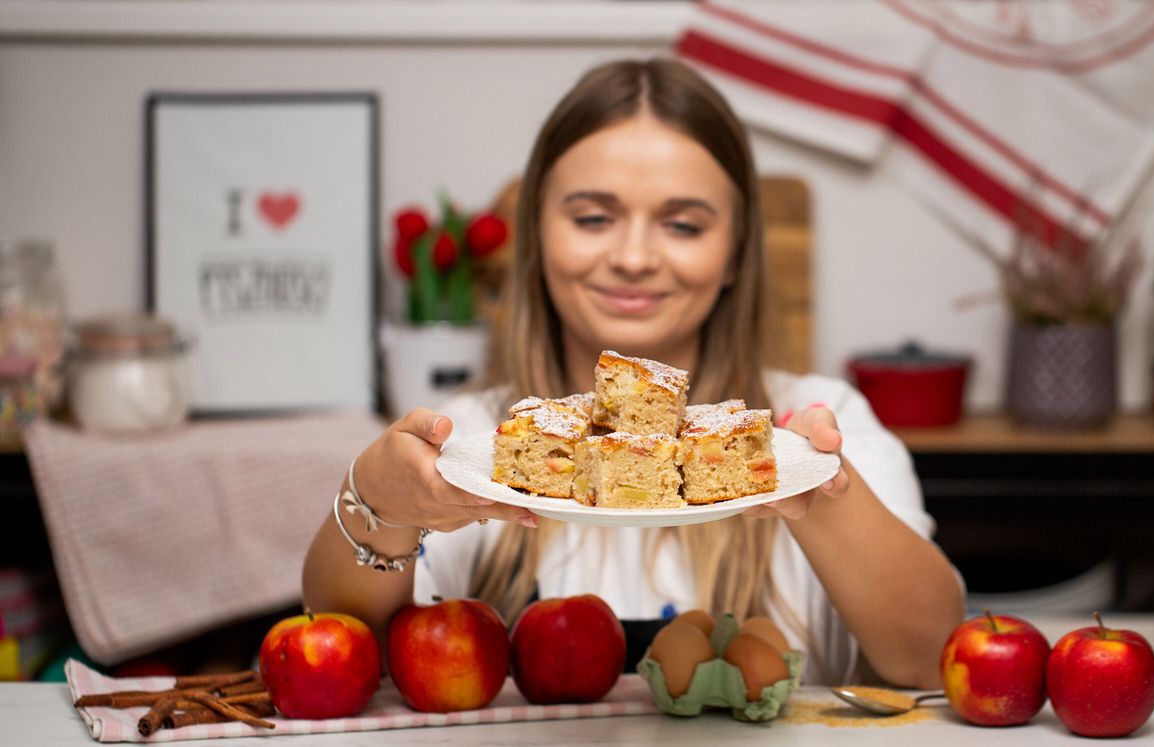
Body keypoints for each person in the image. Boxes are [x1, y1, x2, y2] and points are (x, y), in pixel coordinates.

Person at [302, 58, 964, 688]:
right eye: (593, 218)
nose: (635, 255)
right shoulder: (476, 440)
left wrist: (812, 481)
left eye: (682, 224)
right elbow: (348, 648)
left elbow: (931, 657)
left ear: (735, 253)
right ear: (537, 236)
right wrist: (377, 500)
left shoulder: (823, 419)